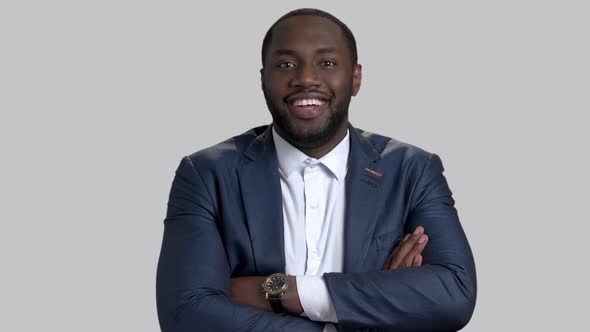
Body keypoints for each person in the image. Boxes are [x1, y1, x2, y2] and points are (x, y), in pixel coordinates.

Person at [156, 8, 476, 332]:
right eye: (286, 65)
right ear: (263, 78)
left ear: (355, 78)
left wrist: (280, 291)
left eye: (327, 63)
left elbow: (455, 293)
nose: (306, 78)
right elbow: (185, 314)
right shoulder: (205, 175)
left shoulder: (413, 170)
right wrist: (376, 301)